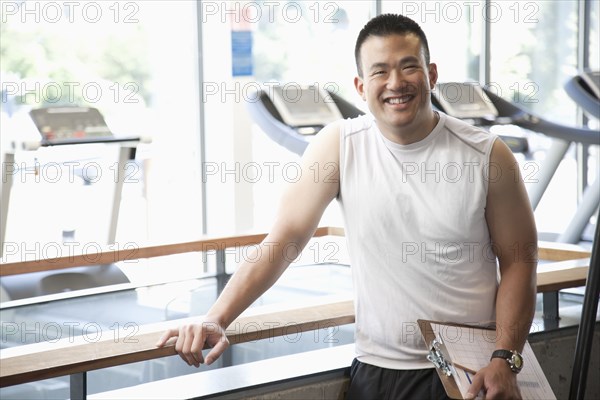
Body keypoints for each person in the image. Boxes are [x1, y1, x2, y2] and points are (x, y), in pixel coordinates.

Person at [157, 13, 537, 400]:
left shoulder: (487, 154)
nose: (395, 83)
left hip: (468, 375)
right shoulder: (340, 146)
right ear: (360, 85)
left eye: (409, 67)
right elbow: (283, 240)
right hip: (376, 372)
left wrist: (504, 359)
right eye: (380, 72)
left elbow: (519, 260)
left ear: (431, 74)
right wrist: (216, 317)